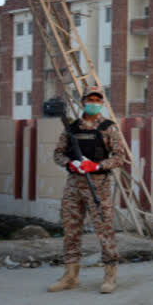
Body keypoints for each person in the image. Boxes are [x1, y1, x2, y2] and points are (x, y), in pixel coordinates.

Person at [49, 87, 126, 294]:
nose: (93, 103)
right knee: (71, 231)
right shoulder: (72, 127)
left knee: (105, 230)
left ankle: (110, 274)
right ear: (82, 102)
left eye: (97, 100)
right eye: (90, 99)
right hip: (74, 185)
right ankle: (70, 276)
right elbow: (57, 154)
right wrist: (70, 164)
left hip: (98, 187)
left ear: (101, 103)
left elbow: (120, 158)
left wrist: (97, 166)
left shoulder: (108, 127)